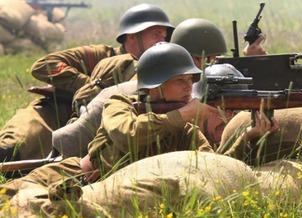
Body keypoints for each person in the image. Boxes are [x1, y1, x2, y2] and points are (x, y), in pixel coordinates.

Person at [1, 43, 278, 198]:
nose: (187, 88)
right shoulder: (120, 104)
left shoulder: (185, 128)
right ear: (155, 86)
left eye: (190, 80)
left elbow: (211, 166)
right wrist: (181, 115)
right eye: (179, 81)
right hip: (75, 175)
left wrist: (247, 137)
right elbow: (126, 134)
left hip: (107, 197)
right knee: (9, 197)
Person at [0, 3, 174, 162]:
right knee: (11, 147)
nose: (162, 40)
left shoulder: (157, 71)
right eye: (155, 34)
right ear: (131, 36)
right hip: (57, 112)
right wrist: (87, 86)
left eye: (165, 36)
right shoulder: (99, 55)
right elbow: (43, 65)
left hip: (105, 128)